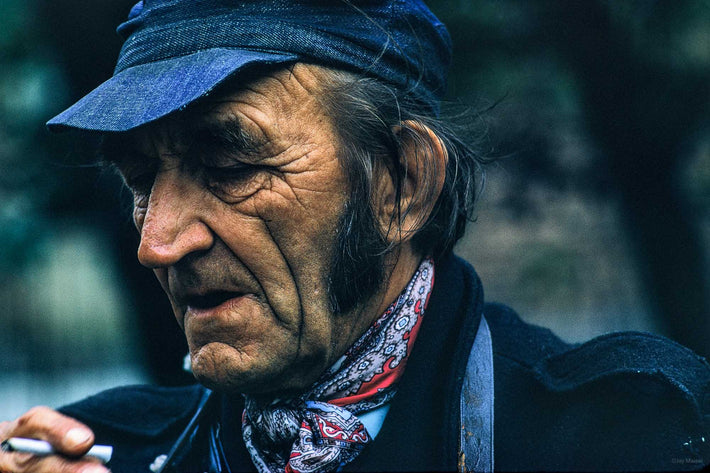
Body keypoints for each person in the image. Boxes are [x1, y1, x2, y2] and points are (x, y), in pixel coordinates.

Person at [1, 1, 708, 472]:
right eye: (140, 181)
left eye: (229, 164)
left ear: (401, 182)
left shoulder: (636, 430)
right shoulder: (99, 450)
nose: (157, 243)